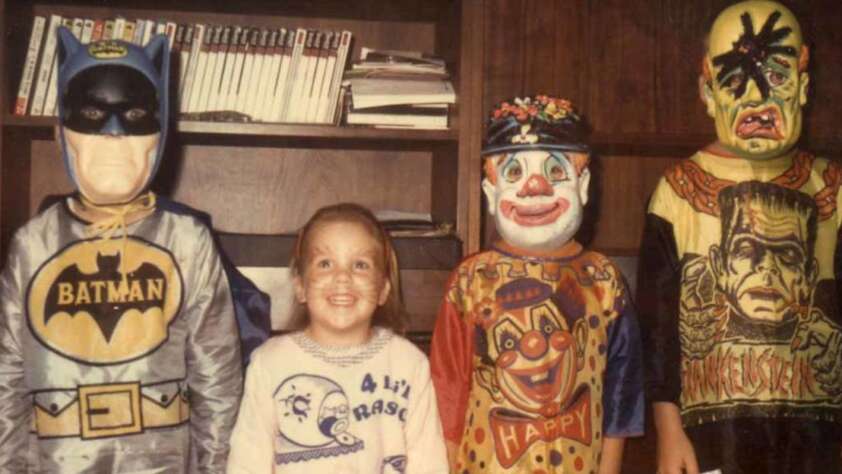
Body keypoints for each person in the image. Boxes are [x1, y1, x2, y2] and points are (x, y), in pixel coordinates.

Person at [0, 29, 243, 472]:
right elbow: (6, 382)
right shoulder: (32, 246)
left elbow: (218, 380)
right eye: (92, 113)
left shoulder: (186, 242)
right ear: (62, 131)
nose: (113, 134)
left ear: (160, 130)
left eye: (133, 114)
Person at [639, 2, 842, 473]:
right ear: (707, 92)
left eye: (777, 74)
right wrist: (668, 429)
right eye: (734, 80)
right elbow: (657, 328)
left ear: (804, 86)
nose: (756, 97)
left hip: (819, 437)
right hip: (711, 434)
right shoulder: (676, 193)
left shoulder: (832, 189)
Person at [430, 96, 644, 473]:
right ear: (490, 194)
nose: (534, 187)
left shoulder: (604, 279)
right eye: (514, 173)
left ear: (583, 186)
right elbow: (447, 389)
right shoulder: (471, 281)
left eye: (554, 172)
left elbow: (622, 395)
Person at [227, 203, 449, 473]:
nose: (343, 277)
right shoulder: (269, 364)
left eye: (360, 265)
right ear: (300, 287)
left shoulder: (409, 364)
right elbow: (247, 461)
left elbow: (429, 462)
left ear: (382, 289)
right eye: (325, 264)